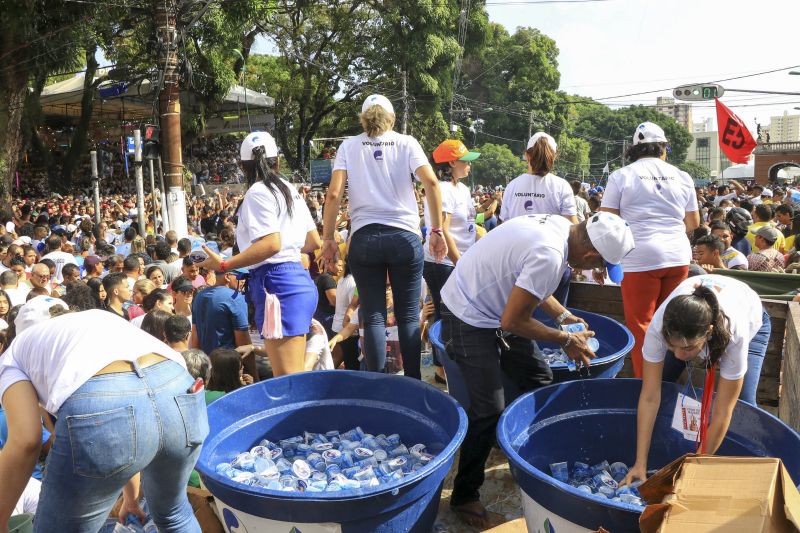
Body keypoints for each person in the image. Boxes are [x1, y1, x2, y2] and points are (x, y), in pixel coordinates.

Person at [439, 212, 634, 527]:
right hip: (468, 311)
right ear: (589, 254)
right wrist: (566, 339)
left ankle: (533, 455)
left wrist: (562, 315)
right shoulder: (551, 253)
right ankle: (464, 493)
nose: (595, 271)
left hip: (497, 305)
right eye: (599, 265)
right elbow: (513, 321)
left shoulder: (561, 228)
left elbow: (531, 282)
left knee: (540, 379)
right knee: (489, 408)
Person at [0, 300, 208, 532]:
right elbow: (132, 403)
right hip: (179, 387)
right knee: (174, 514)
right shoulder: (96, 319)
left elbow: (26, 441)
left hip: (106, 401)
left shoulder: (15, 353)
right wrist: (130, 499)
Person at [320, 94, 447, 379]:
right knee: (408, 317)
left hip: (364, 239)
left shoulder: (348, 146)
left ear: (363, 119)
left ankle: (377, 384)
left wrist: (329, 238)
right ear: (391, 118)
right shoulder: (407, 142)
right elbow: (432, 183)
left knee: (373, 316)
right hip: (405, 237)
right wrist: (437, 230)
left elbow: (333, 195)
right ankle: (412, 381)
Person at [621, 275, 770, 487]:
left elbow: (722, 412)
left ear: (708, 332)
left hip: (752, 321)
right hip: (690, 325)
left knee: (744, 405)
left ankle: (741, 478)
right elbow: (649, 396)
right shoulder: (659, 325)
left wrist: (691, 471)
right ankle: (658, 449)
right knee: (660, 382)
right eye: (672, 347)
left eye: (688, 348)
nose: (680, 356)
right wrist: (639, 463)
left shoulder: (735, 334)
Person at [200, 132, 320, 377]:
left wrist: (224, 264)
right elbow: (312, 241)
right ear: (276, 161)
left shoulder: (257, 192)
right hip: (295, 282)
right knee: (292, 377)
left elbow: (271, 244)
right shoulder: (291, 190)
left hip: (278, 286)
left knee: (287, 380)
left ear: (244, 166)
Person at [599, 122, 700, 378]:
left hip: (638, 258)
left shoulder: (621, 176)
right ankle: (666, 382)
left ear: (634, 150)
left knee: (642, 325)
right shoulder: (683, 176)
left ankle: (646, 388)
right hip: (677, 256)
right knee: (672, 323)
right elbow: (693, 223)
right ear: (663, 148)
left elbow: (607, 223)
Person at [500, 132, 577, 223]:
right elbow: (573, 227)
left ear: (527, 156)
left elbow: (504, 224)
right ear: (554, 157)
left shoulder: (512, 186)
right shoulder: (562, 186)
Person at [190, 266, 250, 354]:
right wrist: (251, 367)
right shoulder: (236, 297)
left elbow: (195, 336)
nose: (244, 281)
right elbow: (243, 342)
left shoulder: (199, 296)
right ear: (227, 277)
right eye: (242, 277)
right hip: (227, 361)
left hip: (204, 361)